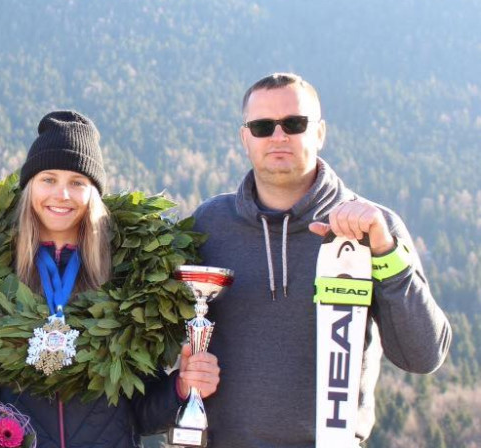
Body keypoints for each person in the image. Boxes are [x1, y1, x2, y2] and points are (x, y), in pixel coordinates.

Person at [191, 72, 452, 447]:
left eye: (294, 124)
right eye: (263, 126)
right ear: (245, 138)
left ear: (319, 133)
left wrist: (385, 253)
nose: (278, 136)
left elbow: (423, 356)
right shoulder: (210, 223)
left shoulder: (376, 227)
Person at [0, 110, 221, 448]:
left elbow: (142, 415)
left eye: (77, 183)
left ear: (93, 193)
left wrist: (181, 387)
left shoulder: (128, 280)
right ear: (29, 188)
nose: (61, 194)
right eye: (48, 179)